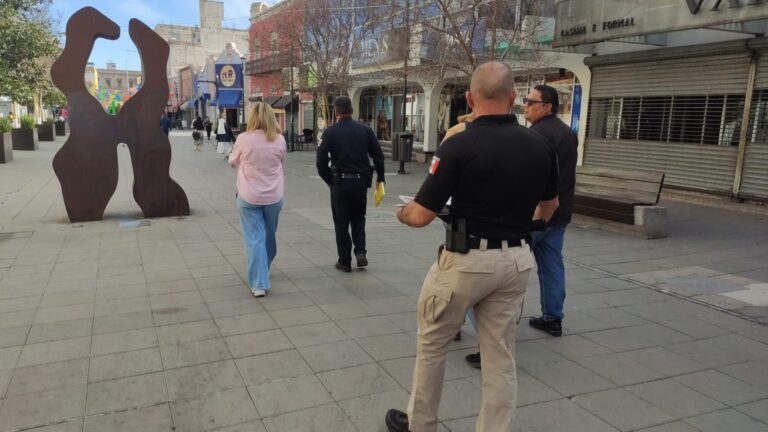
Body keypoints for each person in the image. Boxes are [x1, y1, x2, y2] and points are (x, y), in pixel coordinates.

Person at [384, 61, 559, 432]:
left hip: (466, 260)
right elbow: (550, 206)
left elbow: (420, 216)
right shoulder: (540, 145)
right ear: (513, 97)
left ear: (469, 97)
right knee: (500, 356)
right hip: (516, 261)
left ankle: (420, 424)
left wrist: (402, 212)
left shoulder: (459, 144)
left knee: (432, 342)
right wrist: (520, 222)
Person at [316, 96, 385, 272]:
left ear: (336, 112)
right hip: (360, 183)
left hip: (340, 182)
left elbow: (320, 161)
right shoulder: (365, 130)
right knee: (358, 218)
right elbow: (378, 156)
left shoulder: (330, 133)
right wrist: (380, 178)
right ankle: (360, 252)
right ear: (351, 110)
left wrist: (329, 180)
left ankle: (344, 261)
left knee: (341, 222)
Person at [228, 102, 286, 297]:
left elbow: (232, 161)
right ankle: (265, 267)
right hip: (274, 196)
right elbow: (280, 160)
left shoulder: (243, 139)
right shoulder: (279, 140)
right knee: (269, 235)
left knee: (255, 238)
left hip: (248, 196)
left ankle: (259, 283)